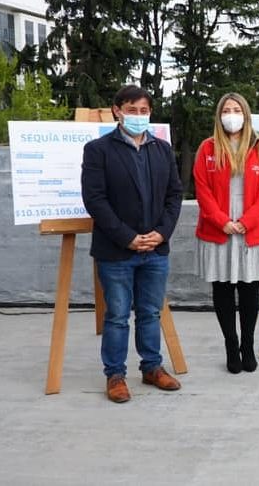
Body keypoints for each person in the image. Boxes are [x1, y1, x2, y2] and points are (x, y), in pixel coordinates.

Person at [81, 85, 184, 403]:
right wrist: (127, 237)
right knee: (116, 315)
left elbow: (174, 194)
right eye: (131, 109)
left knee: (150, 313)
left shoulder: (162, 150)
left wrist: (162, 233)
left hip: (155, 249)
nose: (138, 116)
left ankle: (152, 367)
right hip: (116, 251)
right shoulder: (98, 150)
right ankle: (115, 375)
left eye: (144, 111)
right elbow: (95, 200)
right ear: (117, 110)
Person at [193, 93, 259, 374]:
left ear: (246, 113)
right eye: (226, 109)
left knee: (250, 289)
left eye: (236, 109)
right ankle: (231, 345)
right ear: (219, 115)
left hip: (250, 227)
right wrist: (221, 220)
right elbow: (202, 190)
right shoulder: (207, 148)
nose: (231, 114)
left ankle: (248, 346)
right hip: (219, 226)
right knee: (223, 289)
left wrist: (246, 221)